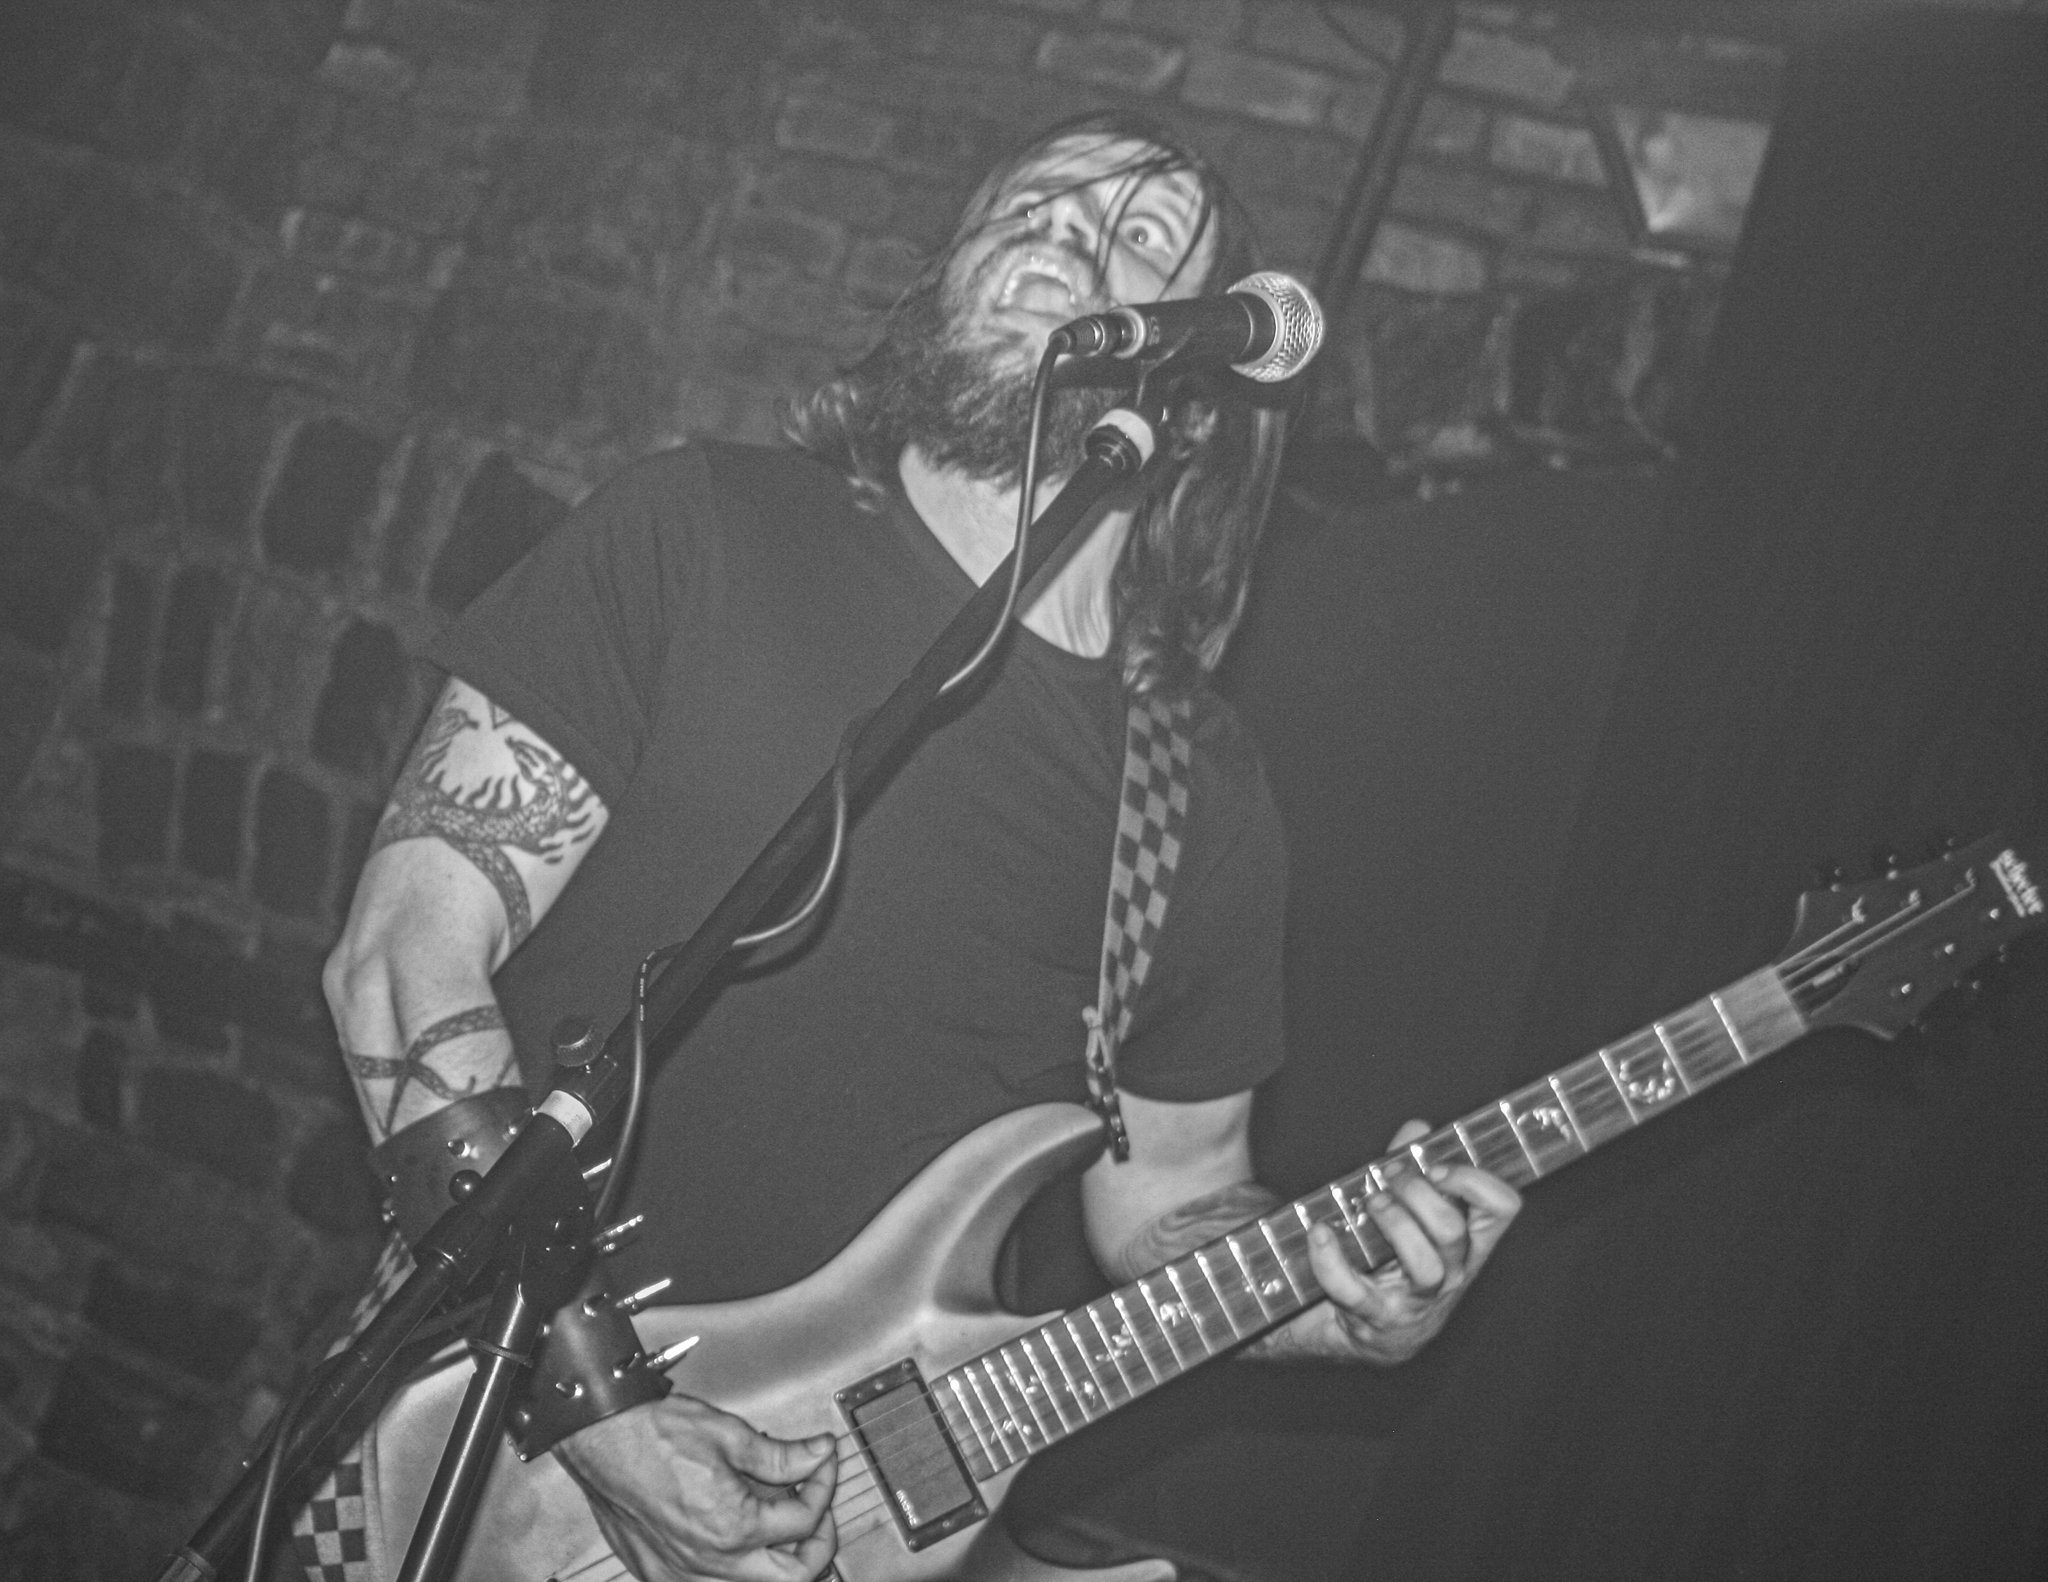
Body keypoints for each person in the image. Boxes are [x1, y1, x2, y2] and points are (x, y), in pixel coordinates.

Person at [323, 111, 1522, 1582]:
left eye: (1140, 236)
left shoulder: (1195, 801)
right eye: (1026, 205)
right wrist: (601, 1406)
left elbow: (1165, 1197)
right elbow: (401, 958)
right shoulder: (702, 529)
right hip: (467, 1446)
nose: (1062, 230)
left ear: (1199, 408)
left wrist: (1322, 1293)